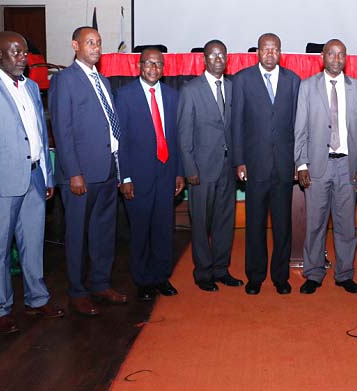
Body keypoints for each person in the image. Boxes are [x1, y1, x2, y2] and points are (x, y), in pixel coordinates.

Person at [0, 31, 64, 334]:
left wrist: (46, 174)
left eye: (24, 53)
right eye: (16, 53)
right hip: (0, 183)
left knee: (33, 244)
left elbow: (39, 136)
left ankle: (37, 298)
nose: (22, 58)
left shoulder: (31, 87)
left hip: (33, 177)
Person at [49, 26, 128, 316]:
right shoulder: (64, 81)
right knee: (77, 234)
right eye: (90, 42)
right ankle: (77, 291)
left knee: (103, 232)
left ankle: (100, 283)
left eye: (99, 43)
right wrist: (74, 173)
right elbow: (62, 130)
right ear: (75, 45)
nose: (96, 47)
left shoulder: (104, 81)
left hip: (107, 171)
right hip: (81, 175)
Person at [293, 39, 357, 294]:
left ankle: (345, 274)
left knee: (346, 224)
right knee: (315, 223)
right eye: (332, 54)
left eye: (341, 55)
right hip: (316, 166)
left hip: (347, 167)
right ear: (322, 56)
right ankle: (313, 274)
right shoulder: (307, 87)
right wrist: (301, 163)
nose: (337, 59)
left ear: (346, 58)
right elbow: (300, 129)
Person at [232, 33, 301, 295]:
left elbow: (298, 126)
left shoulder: (293, 81)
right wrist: (239, 160)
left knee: (283, 225)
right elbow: (236, 123)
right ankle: (255, 276)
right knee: (255, 224)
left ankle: (280, 277)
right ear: (258, 52)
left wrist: (298, 161)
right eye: (265, 49)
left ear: (280, 52)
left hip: (284, 166)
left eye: (275, 49)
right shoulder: (242, 80)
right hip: (255, 165)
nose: (270, 53)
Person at [115, 48, 185, 301]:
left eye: (158, 64)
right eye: (149, 63)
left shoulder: (172, 96)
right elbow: (119, 140)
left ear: (164, 68)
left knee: (164, 229)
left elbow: (176, 139)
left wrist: (179, 173)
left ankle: (161, 276)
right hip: (137, 176)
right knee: (141, 231)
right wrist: (124, 177)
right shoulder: (124, 96)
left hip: (167, 174)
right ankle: (143, 280)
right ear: (139, 66)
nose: (153, 68)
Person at [178, 40, 243, 292]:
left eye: (222, 55)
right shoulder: (191, 90)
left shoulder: (232, 87)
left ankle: (221, 269)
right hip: (201, 170)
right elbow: (184, 134)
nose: (218, 59)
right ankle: (203, 272)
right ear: (204, 59)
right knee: (201, 223)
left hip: (228, 168)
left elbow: (236, 129)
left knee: (225, 221)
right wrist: (190, 168)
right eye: (213, 55)